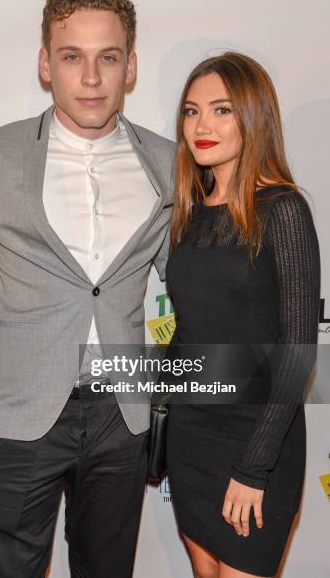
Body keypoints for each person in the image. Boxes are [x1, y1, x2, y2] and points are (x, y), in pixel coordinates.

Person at [0, 0, 175, 578]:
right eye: (72, 57)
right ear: (46, 64)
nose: (90, 77)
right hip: (20, 412)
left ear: (130, 66)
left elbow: (190, 290)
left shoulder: (169, 162)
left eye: (107, 58)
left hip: (124, 415)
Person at [165, 51, 320, 577]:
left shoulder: (283, 210)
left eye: (221, 110)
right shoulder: (188, 215)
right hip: (191, 436)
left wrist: (255, 467)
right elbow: (190, 333)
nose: (201, 126)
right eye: (191, 111)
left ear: (254, 116)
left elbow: (297, 353)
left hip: (258, 439)